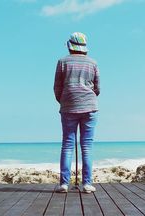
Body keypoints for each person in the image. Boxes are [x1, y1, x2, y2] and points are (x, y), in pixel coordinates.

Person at [53, 32, 100, 193]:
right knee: (86, 146)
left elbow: (57, 87)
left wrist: (65, 100)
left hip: (68, 107)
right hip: (90, 106)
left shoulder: (62, 62)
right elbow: (97, 87)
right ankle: (87, 183)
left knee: (67, 145)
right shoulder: (92, 63)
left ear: (70, 46)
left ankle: (64, 184)